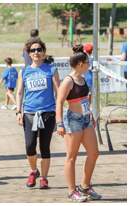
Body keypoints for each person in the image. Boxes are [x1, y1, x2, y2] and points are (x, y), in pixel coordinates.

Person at [56, 45, 101, 202]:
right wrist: (59, 123)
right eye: (87, 62)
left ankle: (85, 186)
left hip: (86, 120)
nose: (89, 65)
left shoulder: (83, 79)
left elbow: (85, 100)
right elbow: (59, 102)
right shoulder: (68, 81)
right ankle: (71, 191)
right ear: (81, 64)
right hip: (73, 121)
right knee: (71, 157)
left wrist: (91, 115)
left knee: (94, 153)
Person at [16, 38, 60, 189]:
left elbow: (59, 92)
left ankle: (44, 178)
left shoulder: (51, 69)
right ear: (28, 54)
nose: (36, 52)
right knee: (29, 146)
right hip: (29, 113)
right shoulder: (24, 71)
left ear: (44, 52)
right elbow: (20, 92)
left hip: (48, 113)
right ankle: (34, 171)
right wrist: (18, 111)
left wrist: (59, 113)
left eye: (39, 49)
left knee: (45, 146)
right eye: (33, 50)